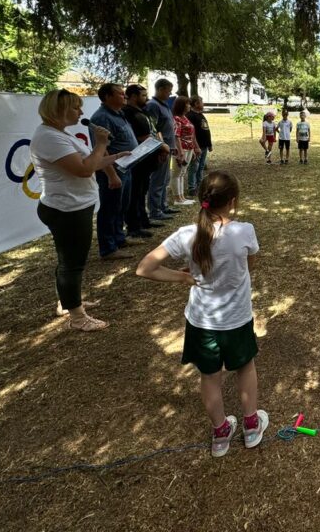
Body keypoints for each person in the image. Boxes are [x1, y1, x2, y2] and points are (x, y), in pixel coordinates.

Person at [135, 171, 268, 457]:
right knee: (245, 368)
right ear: (233, 201)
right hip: (237, 319)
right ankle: (251, 425)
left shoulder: (186, 235)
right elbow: (249, 265)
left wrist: (182, 278)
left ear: (202, 199)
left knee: (210, 377)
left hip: (201, 322)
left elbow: (144, 268)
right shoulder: (244, 231)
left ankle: (221, 434)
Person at [30, 89, 128, 331]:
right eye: (76, 108)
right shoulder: (49, 138)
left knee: (69, 260)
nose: (81, 112)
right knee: (72, 263)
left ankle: (67, 303)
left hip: (75, 206)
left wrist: (114, 156)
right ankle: (77, 317)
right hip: (66, 209)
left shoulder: (60, 134)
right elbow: (84, 169)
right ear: (59, 109)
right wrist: (102, 144)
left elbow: (90, 164)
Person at [89, 83, 139, 258]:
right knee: (110, 208)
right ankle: (108, 248)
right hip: (114, 171)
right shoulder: (102, 118)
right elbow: (101, 149)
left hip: (126, 168)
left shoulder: (119, 113)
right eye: (119, 94)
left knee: (121, 206)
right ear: (107, 96)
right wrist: (111, 174)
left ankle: (119, 238)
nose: (124, 96)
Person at [123, 84, 168, 237]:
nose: (146, 98)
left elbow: (154, 132)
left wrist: (159, 149)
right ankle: (134, 227)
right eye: (143, 95)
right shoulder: (128, 113)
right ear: (134, 96)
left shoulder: (143, 112)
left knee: (142, 191)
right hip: (136, 161)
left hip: (147, 158)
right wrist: (162, 146)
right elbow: (142, 137)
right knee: (135, 194)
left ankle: (143, 220)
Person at [145, 78, 179, 220]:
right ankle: (155, 211)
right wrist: (161, 146)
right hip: (160, 149)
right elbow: (153, 129)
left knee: (165, 179)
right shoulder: (153, 106)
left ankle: (163, 206)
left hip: (168, 147)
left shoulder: (164, 105)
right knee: (158, 180)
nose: (170, 93)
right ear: (160, 89)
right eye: (168, 90)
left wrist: (173, 146)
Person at [171, 96, 197, 205]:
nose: (189, 106)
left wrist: (194, 149)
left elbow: (191, 134)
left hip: (189, 148)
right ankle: (177, 198)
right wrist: (180, 151)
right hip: (181, 148)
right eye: (187, 104)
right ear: (182, 105)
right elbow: (176, 136)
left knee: (182, 173)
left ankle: (182, 197)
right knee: (177, 173)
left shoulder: (185, 118)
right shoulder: (176, 118)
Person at [186, 97, 212, 193]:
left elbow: (206, 130)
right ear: (196, 104)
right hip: (197, 146)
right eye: (202, 102)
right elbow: (191, 133)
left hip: (204, 146)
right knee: (194, 167)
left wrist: (209, 144)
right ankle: (191, 187)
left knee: (201, 166)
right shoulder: (190, 116)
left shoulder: (201, 115)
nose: (203, 104)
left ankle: (200, 185)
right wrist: (195, 146)